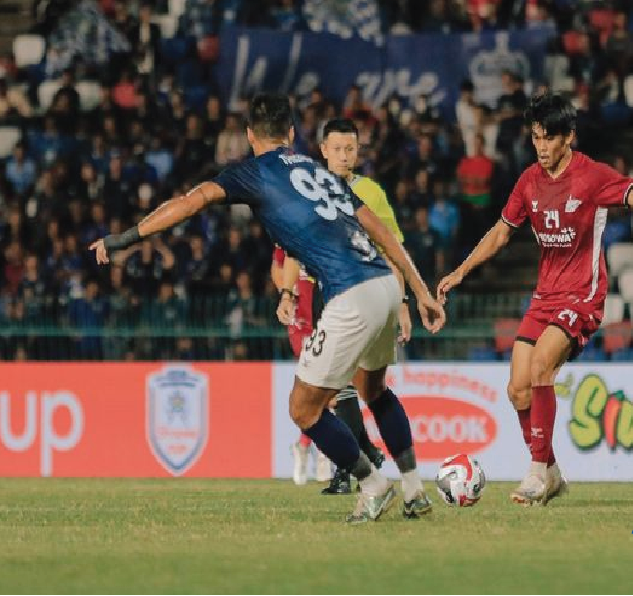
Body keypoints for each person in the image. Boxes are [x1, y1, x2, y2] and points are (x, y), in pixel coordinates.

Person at [91, 94, 446, 523]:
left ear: (248, 135)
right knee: (375, 391)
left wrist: (125, 238)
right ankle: (414, 491)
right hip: (385, 286)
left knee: (303, 409)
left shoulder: (254, 173)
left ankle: (373, 485)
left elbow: (189, 202)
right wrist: (419, 291)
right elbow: (379, 230)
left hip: (350, 293)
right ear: (292, 133)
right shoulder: (317, 169)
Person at [437, 94, 633, 506]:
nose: (542, 147)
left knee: (540, 366)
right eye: (536, 138)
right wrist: (461, 271)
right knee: (517, 390)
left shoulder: (592, 176)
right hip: (544, 296)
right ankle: (551, 471)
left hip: (582, 295)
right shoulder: (529, 180)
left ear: (569, 137)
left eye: (550, 139)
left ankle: (535, 473)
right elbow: (501, 232)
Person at [278, 117, 406, 495]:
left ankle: (358, 461)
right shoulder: (307, 191)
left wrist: (402, 303)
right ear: (323, 151)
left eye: (350, 149)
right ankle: (355, 462)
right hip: (325, 295)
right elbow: (293, 252)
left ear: (358, 151)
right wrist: (288, 294)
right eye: (337, 149)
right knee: (335, 390)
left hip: (366, 292)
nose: (344, 156)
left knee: (362, 387)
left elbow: (393, 248)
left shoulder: (371, 193)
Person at [270, 247, 335, 487]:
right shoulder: (289, 230)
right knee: (321, 387)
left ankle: (306, 446)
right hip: (302, 322)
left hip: (326, 315)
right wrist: (287, 293)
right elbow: (277, 267)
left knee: (328, 390)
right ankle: (321, 453)